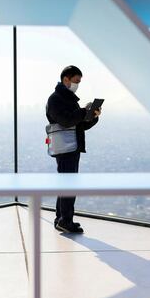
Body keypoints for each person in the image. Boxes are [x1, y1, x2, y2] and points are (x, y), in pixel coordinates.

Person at [46, 65, 101, 234]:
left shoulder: (69, 99)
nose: (77, 84)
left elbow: (79, 126)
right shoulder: (55, 99)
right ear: (66, 79)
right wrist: (83, 111)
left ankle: (61, 219)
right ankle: (66, 220)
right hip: (65, 147)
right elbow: (66, 121)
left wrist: (92, 116)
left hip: (72, 145)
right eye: (76, 81)